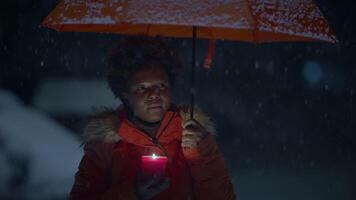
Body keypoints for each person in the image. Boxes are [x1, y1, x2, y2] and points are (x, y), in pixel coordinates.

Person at [69, 36, 236, 200]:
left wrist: (202, 153)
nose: (155, 94)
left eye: (161, 85)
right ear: (125, 95)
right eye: (142, 88)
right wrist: (133, 193)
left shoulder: (194, 136)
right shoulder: (105, 145)